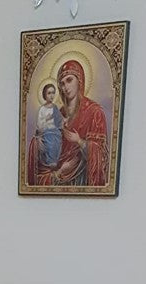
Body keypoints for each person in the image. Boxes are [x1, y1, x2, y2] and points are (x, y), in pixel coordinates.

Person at [28, 58, 109, 188]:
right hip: (59, 176)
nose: (65, 87)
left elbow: (101, 156)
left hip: (82, 181)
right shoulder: (57, 114)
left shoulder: (94, 112)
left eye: (69, 80)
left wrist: (80, 141)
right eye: (62, 83)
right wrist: (37, 143)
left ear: (80, 80)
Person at [36, 83, 65, 168]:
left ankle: (55, 161)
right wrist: (46, 119)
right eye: (49, 93)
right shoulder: (42, 109)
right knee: (50, 144)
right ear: (44, 94)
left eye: (53, 93)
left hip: (55, 131)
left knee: (57, 142)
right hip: (46, 132)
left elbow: (59, 119)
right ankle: (50, 161)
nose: (51, 95)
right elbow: (39, 124)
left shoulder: (55, 107)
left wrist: (63, 121)